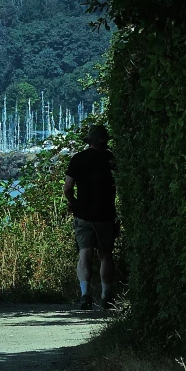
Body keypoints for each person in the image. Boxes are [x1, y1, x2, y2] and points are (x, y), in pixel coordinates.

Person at [64, 124, 117, 310]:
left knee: (84, 253)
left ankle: (85, 294)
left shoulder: (78, 159)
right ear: (105, 141)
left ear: (90, 141)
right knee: (106, 255)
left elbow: (68, 188)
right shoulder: (111, 159)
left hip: (83, 214)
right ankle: (106, 296)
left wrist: (73, 203)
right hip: (106, 214)